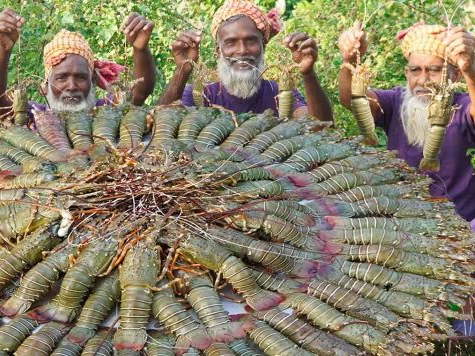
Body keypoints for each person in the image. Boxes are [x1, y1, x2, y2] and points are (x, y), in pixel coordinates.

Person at [338, 22, 475, 230]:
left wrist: (470, 70)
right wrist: (349, 60)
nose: (423, 80)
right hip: (404, 225)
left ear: (455, 75)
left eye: (434, 70)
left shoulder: (463, 105)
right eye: (415, 70)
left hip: (461, 226)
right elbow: (350, 98)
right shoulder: (395, 102)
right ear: (406, 72)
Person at [158, 0, 332, 122]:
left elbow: (321, 132)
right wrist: (182, 71)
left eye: (250, 41)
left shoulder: (280, 94)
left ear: (263, 45)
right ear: (219, 51)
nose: (242, 51)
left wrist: (308, 74)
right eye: (230, 42)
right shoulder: (200, 96)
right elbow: (160, 128)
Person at [0, 9, 156, 116]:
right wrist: (4, 49)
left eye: (80, 77)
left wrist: (140, 49)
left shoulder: (107, 112)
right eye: (61, 77)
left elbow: (139, 93)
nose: (71, 86)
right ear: (45, 85)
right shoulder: (35, 117)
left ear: (93, 81)